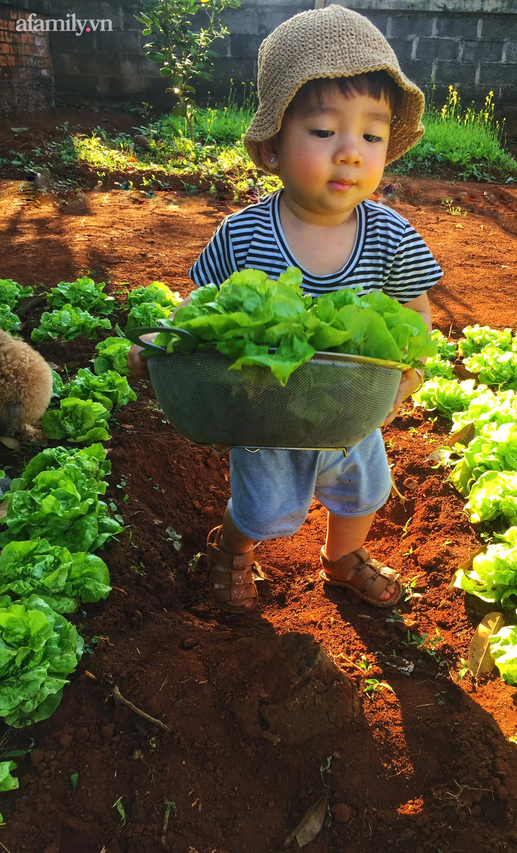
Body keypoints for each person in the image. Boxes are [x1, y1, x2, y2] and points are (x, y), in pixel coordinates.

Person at [128, 5, 443, 613]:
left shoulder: (390, 236)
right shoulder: (244, 235)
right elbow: (201, 304)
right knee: (263, 504)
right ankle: (234, 549)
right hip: (264, 411)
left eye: (371, 136)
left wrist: (411, 365)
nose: (350, 152)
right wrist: (162, 343)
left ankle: (341, 558)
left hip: (352, 410)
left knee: (363, 493)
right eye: (324, 132)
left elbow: (414, 309)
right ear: (273, 146)